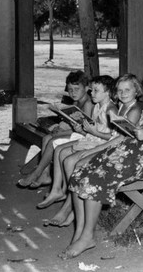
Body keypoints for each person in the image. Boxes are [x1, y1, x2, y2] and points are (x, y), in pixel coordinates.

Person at [61, 68, 143, 260]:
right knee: (82, 170)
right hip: (132, 152)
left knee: (95, 178)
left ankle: (87, 236)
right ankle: (82, 231)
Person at [40, 74, 143, 227]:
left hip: (119, 152)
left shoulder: (132, 110)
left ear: (137, 90)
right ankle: (71, 204)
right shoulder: (122, 106)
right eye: (120, 90)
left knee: (74, 162)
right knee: (69, 160)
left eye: (127, 90)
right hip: (110, 146)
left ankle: (70, 207)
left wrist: (93, 143)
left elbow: (120, 139)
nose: (123, 93)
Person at [36, 75, 118, 213]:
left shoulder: (111, 110)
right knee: (60, 151)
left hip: (104, 144)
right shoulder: (98, 106)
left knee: (66, 157)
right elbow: (93, 129)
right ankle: (60, 189)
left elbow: (113, 137)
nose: (91, 93)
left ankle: (71, 197)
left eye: (96, 91)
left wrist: (93, 132)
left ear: (108, 92)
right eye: (91, 90)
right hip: (93, 139)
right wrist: (83, 130)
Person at [17, 70, 93, 188]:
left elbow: (85, 130)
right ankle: (45, 175)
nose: (73, 93)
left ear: (87, 88)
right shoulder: (77, 101)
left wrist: (63, 132)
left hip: (84, 136)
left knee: (52, 141)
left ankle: (36, 173)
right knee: (46, 138)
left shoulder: (87, 104)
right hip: (75, 132)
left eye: (77, 89)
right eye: (70, 90)